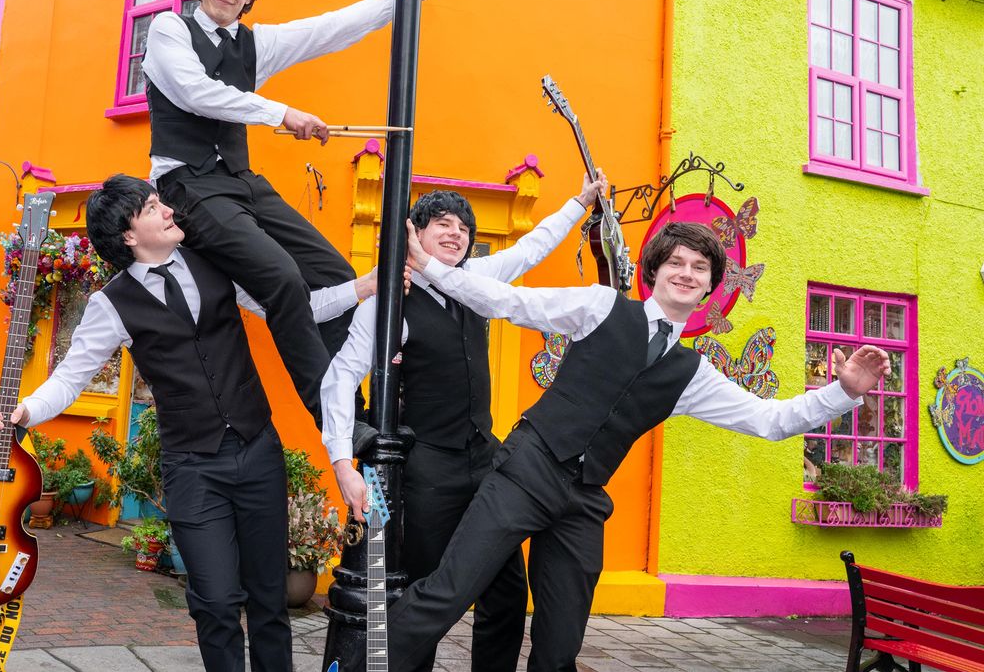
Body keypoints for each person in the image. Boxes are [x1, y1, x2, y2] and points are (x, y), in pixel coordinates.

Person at [369, 172, 890, 672]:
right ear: (655, 271)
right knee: (446, 593)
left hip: (583, 499)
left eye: (699, 268)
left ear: (710, 286)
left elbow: (770, 420)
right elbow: (507, 301)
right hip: (527, 470)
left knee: (560, 642)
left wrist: (842, 392)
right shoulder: (600, 307)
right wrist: (431, 269)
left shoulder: (693, 372)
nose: (686, 273)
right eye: (676, 263)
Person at [0, 175, 376, 672]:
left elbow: (295, 307)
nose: (167, 210)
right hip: (192, 467)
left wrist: (365, 285)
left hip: (257, 451)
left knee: (270, 600)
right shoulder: (111, 303)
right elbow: (70, 377)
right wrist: (21, 411)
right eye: (151, 207)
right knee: (213, 603)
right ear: (128, 235)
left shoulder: (217, 263)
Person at [141, 0, 436, 427]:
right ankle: (335, 419)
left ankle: (365, 404)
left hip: (241, 182)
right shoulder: (170, 29)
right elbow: (195, 93)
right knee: (281, 279)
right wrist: (281, 112)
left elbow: (328, 30)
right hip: (188, 186)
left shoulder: (252, 46)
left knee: (335, 273)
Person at [321, 178, 602, 672]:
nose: (455, 234)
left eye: (463, 227)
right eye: (442, 225)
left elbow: (532, 249)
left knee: (507, 590)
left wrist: (578, 202)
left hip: (486, 461)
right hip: (428, 469)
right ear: (415, 235)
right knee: (425, 595)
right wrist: (343, 463)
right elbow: (341, 378)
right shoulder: (391, 300)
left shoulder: (475, 279)